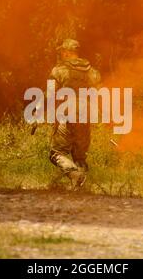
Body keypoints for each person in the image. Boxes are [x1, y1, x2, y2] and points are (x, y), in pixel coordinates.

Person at [48, 39, 101, 190]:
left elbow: (50, 94)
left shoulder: (58, 71)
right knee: (79, 157)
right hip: (85, 116)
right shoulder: (92, 72)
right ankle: (83, 189)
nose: (61, 54)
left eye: (63, 51)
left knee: (56, 153)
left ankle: (75, 176)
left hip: (65, 115)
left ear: (67, 52)